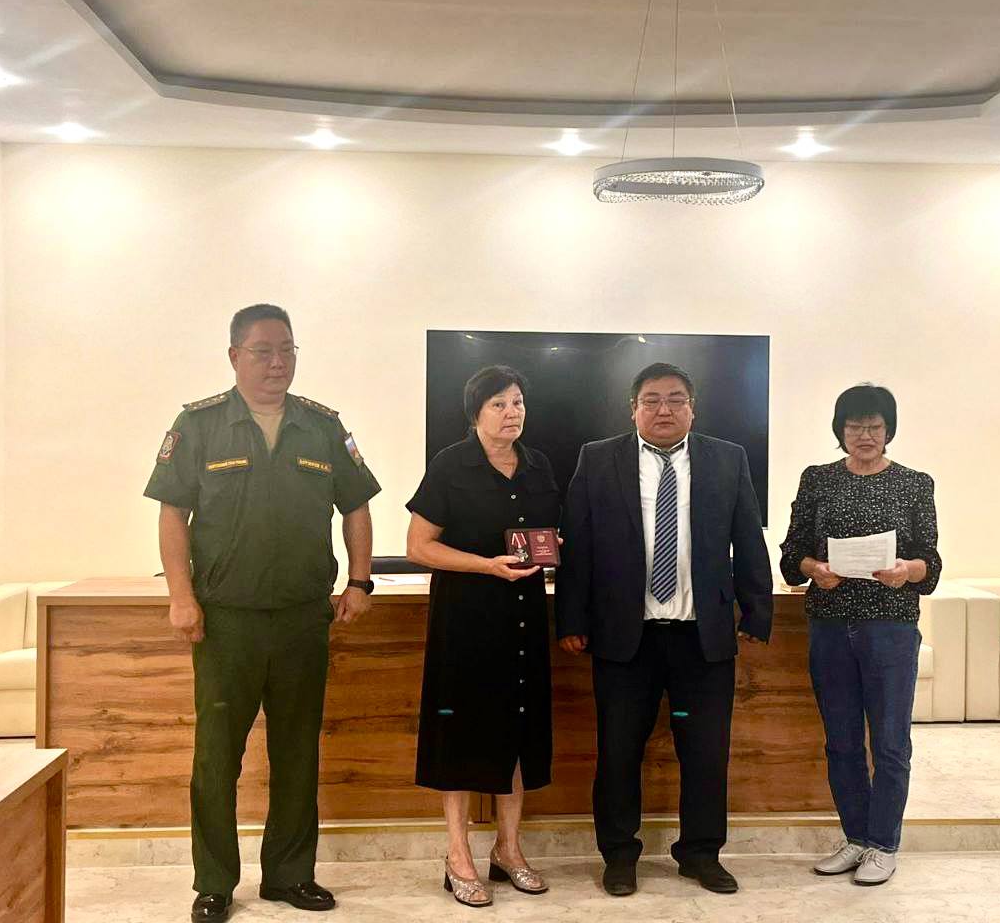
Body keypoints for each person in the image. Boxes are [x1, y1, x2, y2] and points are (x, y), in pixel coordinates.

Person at [144, 304, 381, 922]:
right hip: (226, 621)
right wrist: (180, 596)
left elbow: (356, 506)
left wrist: (359, 582)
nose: (278, 363)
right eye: (263, 351)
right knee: (216, 757)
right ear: (234, 357)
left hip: (303, 618)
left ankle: (290, 875)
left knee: (298, 752)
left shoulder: (322, 426)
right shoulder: (200, 425)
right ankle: (214, 881)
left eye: (287, 350)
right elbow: (172, 513)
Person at [556, 361, 773, 897]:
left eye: (676, 399)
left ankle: (701, 854)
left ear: (693, 409)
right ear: (633, 409)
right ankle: (619, 855)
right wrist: (572, 618)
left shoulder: (728, 458)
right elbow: (578, 543)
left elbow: (748, 538)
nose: (664, 409)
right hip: (625, 638)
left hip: (702, 637)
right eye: (651, 400)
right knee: (618, 752)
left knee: (706, 753)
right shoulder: (598, 458)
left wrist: (757, 610)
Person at [405, 365, 560, 908]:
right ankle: (458, 856)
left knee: (517, 732)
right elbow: (419, 546)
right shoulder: (452, 464)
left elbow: (546, 534)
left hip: (524, 619)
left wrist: (552, 547)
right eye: (499, 404)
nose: (512, 412)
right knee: (462, 736)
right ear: (475, 414)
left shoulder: (538, 464)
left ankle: (508, 849)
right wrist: (486, 565)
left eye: (518, 402)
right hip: (466, 620)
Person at [779, 383, 941, 886]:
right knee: (842, 741)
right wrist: (814, 568)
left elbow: (931, 564)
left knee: (890, 742)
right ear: (840, 430)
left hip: (890, 627)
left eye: (874, 426)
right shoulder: (818, 479)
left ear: (889, 430)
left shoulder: (914, 484)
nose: (865, 435)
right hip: (830, 625)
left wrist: (906, 570)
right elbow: (791, 554)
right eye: (854, 427)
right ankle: (856, 838)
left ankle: (883, 844)